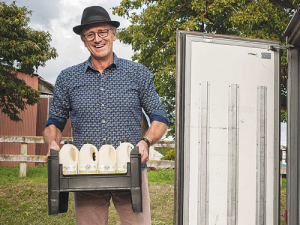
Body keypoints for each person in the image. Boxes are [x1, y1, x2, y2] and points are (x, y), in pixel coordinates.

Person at [43, 5, 169, 225]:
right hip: (85, 174)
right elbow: (55, 121)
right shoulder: (68, 78)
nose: (97, 39)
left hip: (131, 171)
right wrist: (52, 143)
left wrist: (146, 142)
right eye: (90, 34)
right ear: (83, 40)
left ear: (113, 33)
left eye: (102, 32)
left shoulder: (137, 73)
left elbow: (160, 116)